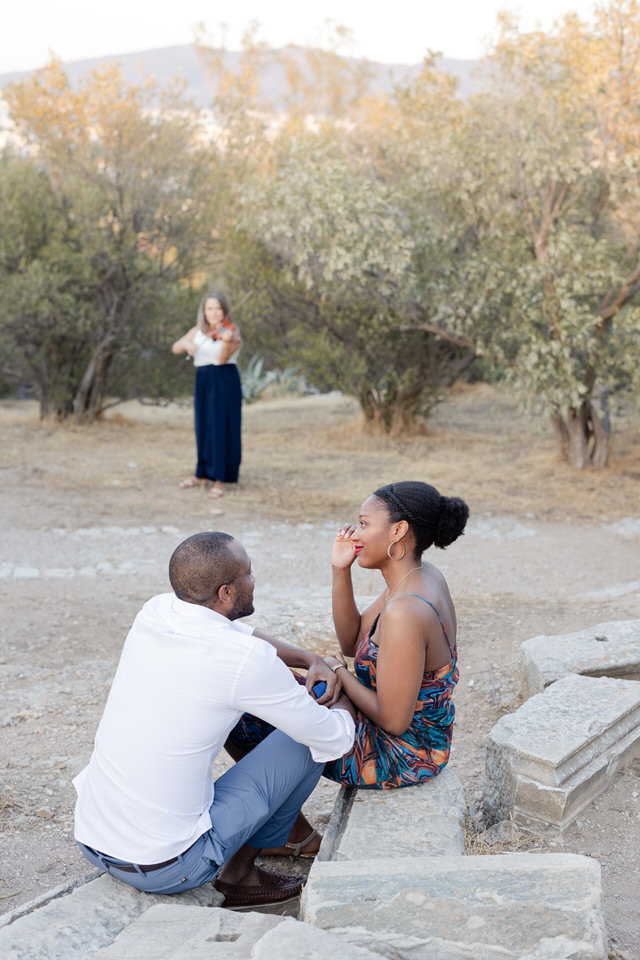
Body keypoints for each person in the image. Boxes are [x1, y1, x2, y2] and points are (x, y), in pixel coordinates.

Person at [73, 532, 355, 908]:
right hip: (170, 867)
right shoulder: (245, 662)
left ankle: (272, 838)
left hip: (93, 839)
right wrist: (341, 683)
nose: (254, 581)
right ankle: (241, 873)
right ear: (225, 593)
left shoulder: (155, 611)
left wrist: (307, 658)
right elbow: (335, 739)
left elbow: (238, 632)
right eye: (248, 574)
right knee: (308, 733)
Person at [227, 480, 468, 818]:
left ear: (398, 530)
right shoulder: (419, 574)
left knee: (249, 708)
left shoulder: (406, 610)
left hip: (400, 754)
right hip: (405, 735)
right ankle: (279, 823)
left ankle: (275, 824)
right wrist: (340, 570)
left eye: (365, 524)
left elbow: (394, 720)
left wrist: (338, 670)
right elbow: (353, 642)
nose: (355, 534)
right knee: (271, 688)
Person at [172, 292, 243, 499]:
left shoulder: (232, 332)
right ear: (203, 311)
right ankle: (202, 474)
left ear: (224, 310)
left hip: (224, 379)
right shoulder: (197, 331)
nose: (214, 312)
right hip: (203, 380)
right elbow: (175, 347)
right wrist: (187, 345)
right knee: (203, 427)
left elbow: (222, 360)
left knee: (222, 429)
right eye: (210, 308)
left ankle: (220, 479)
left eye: (218, 308)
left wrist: (228, 342)